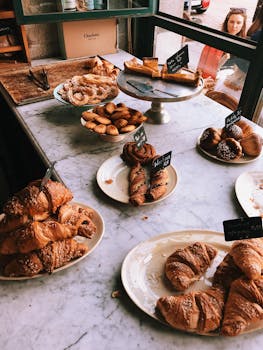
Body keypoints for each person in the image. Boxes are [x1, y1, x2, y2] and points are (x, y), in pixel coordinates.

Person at [198, 8, 247, 84]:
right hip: (211, 81)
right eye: (231, 22)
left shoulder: (244, 45)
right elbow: (202, 65)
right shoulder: (215, 40)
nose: (234, 26)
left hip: (231, 83)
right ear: (227, 22)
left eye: (238, 23)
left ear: (243, 25)